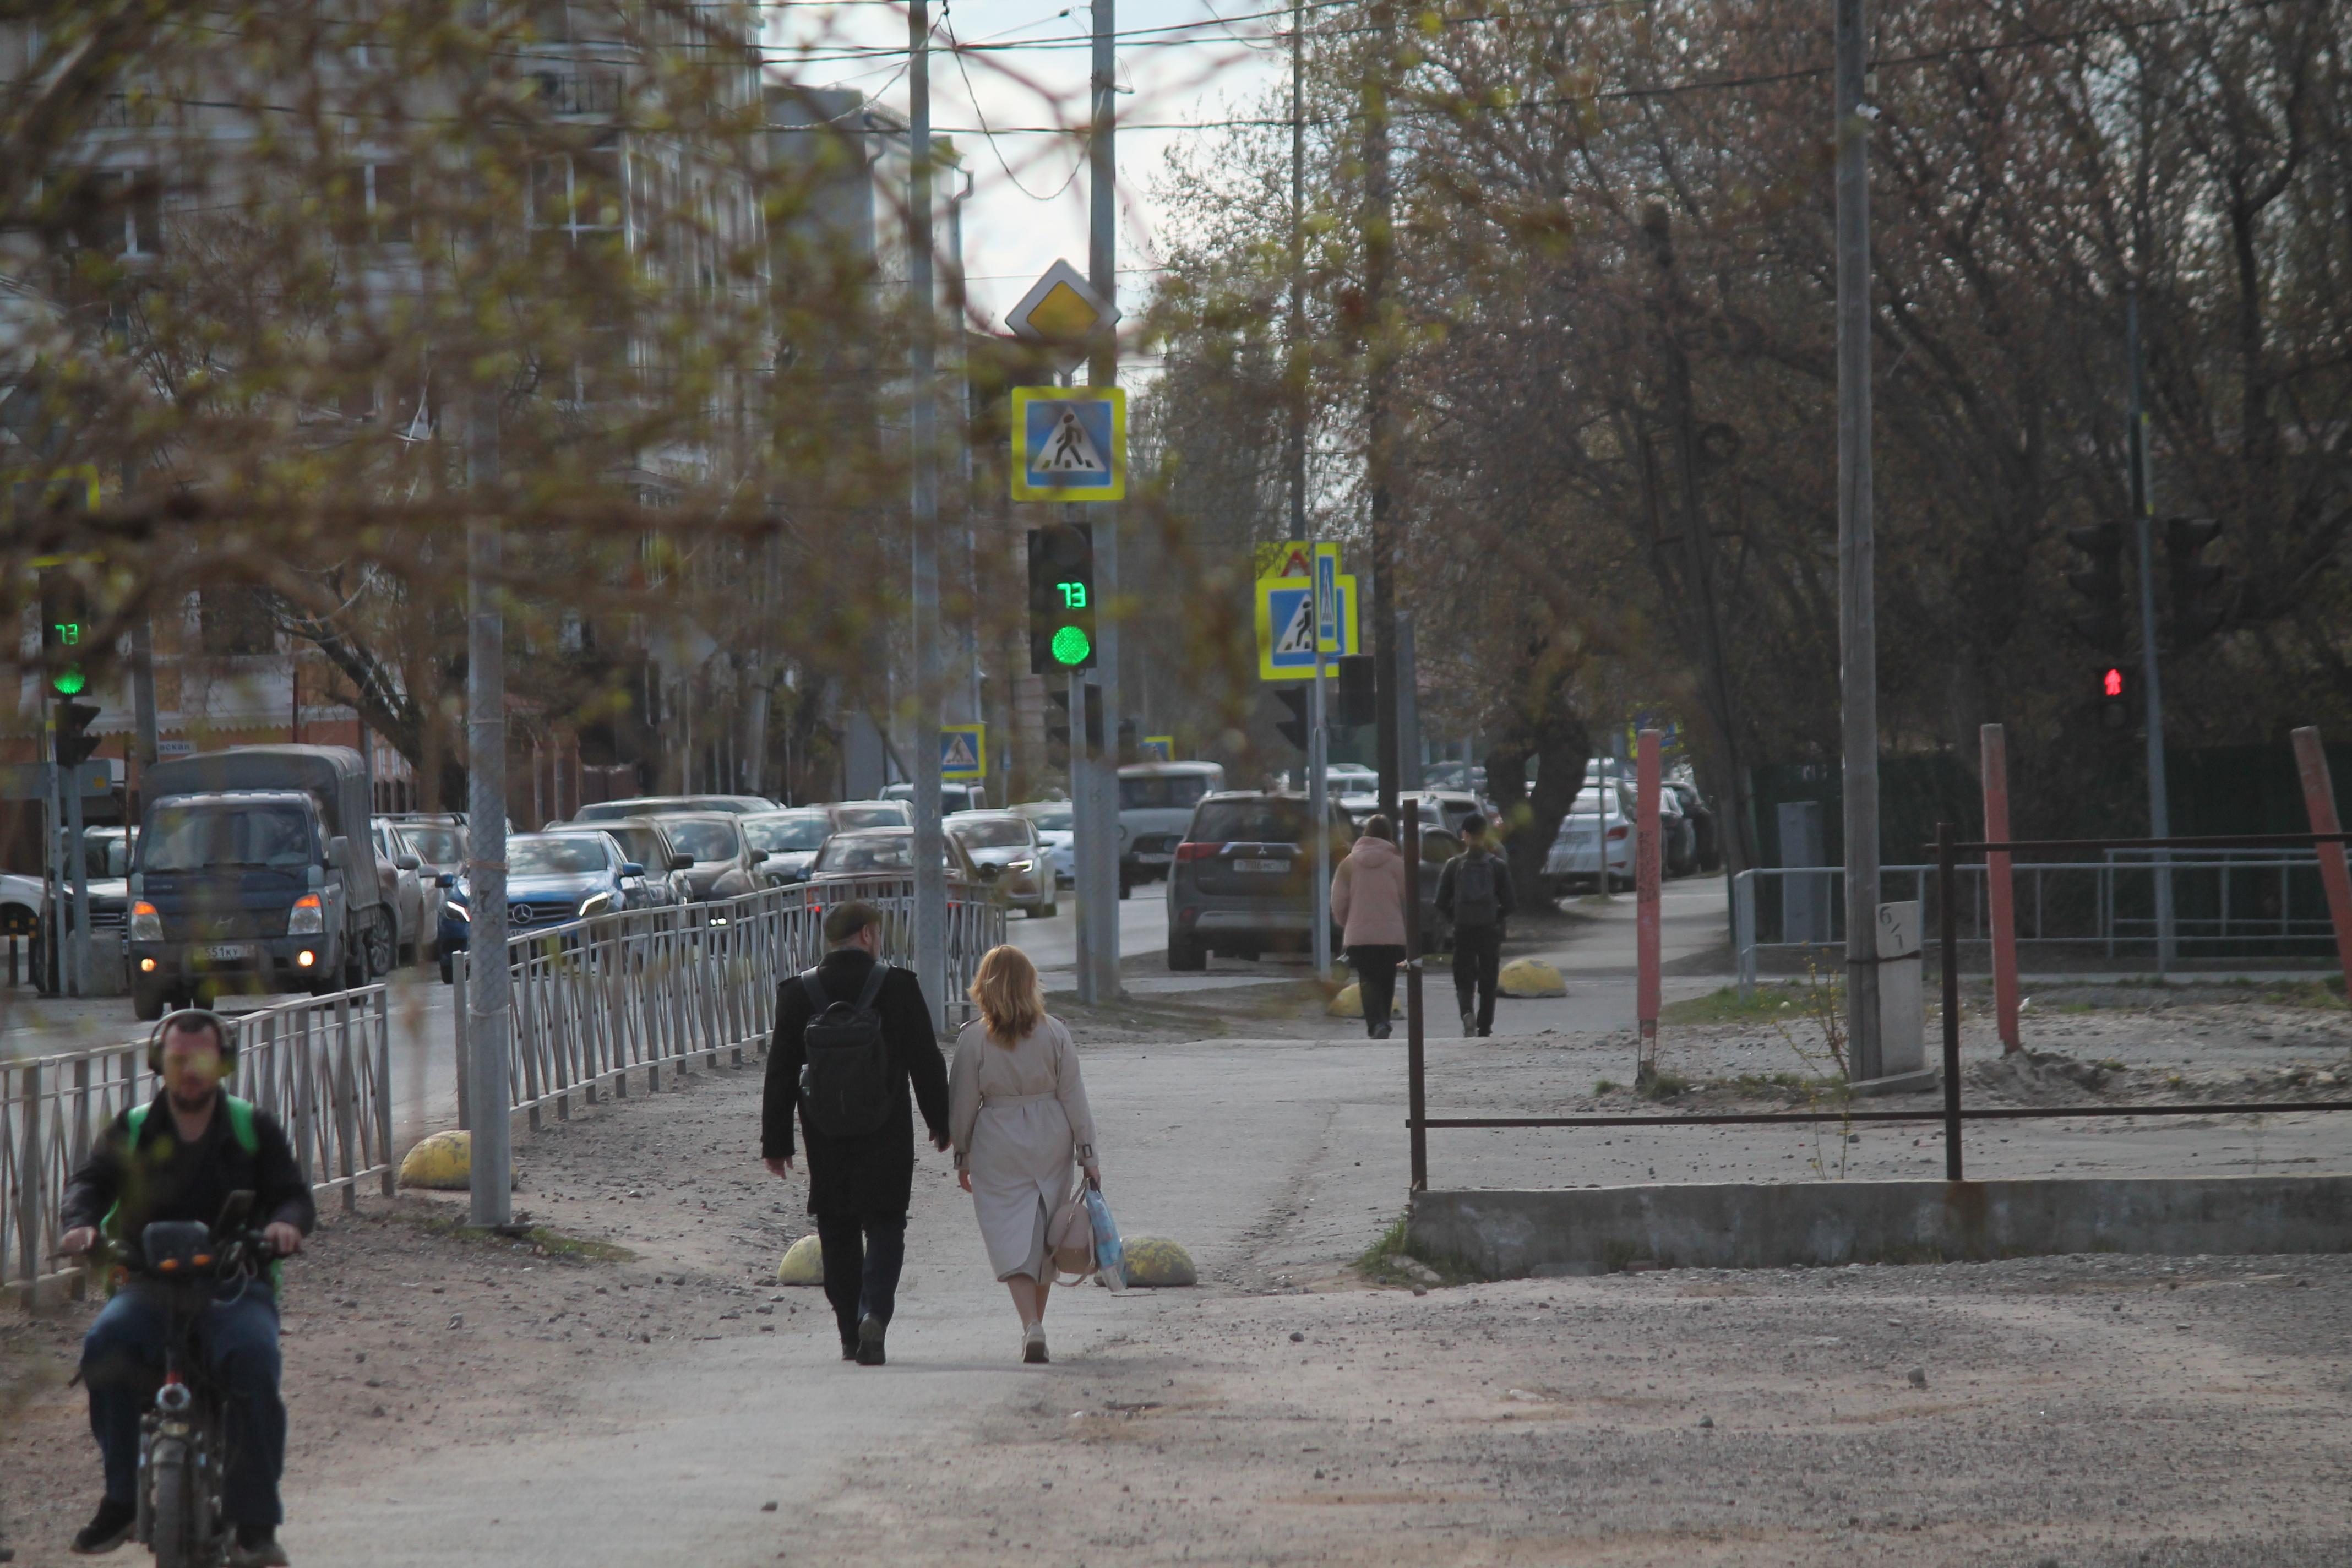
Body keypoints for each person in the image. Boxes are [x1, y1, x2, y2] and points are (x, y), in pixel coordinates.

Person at [57, 1009, 313, 1566]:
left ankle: (255, 1525)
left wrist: (284, 1224)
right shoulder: (133, 1128)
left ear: (220, 1064)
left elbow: (293, 1194)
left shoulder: (252, 1127)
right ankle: (121, 1498)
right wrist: (80, 1223)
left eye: (200, 1060)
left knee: (252, 1357)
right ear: (160, 1063)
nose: (189, 1072)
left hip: (233, 1285)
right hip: (146, 1285)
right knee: (105, 1347)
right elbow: (90, 1183)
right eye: (177, 1060)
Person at [762, 900, 951, 1366]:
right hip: (886, 1130)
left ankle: (849, 1331)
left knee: (837, 1227)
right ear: (868, 934)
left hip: (824, 1133)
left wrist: (777, 1143)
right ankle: (875, 1315)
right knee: (887, 1224)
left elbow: (781, 1072)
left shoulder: (797, 993)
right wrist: (941, 1122)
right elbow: (927, 1061)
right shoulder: (898, 987)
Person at [947, 945, 1099, 1365]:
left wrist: (962, 1153)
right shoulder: (1055, 1033)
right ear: (1031, 984)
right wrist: (1089, 1154)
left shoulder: (974, 1038)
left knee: (1009, 1237)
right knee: (1047, 1233)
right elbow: (1075, 1098)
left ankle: (1031, 1325)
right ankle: (1035, 1325)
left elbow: (962, 1101)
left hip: (997, 1137)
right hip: (1052, 1135)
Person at [1435, 813, 1516, 1037]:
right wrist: (1496, 917)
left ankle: (1467, 1012)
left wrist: (1454, 917)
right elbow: (1511, 903)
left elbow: (1440, 901)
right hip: (1489, 929)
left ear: (1465, 835)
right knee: (1489, 978)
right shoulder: (1497, 866)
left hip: (1463, 929)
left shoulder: (1454, 865)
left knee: (1463, 975)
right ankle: (1485, 1025)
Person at [1331, 813, 1411, 1039]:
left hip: (1360, 935)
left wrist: (1347, 923)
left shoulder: (1348, 864)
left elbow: (1338, 901)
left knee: (1367, 980)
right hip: (1392, 936)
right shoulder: (1397, 864)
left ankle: (1376, 1023)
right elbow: (1409, 898)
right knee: (1387, 978)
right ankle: (1383, 1020)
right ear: (1389, 836)